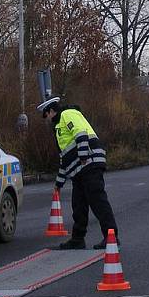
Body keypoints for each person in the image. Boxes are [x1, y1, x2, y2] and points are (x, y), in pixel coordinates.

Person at [38, 97, 119, 250]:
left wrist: (83, 157)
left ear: (51, 111)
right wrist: (58, 184)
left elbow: (80, 133)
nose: (46, 119)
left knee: (98, 201)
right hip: (79, 171)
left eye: (46, 115)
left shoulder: (67, 114)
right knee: (78, 205)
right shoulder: (58, 128)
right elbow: (65, 159)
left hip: (90, 164)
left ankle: (111, 236)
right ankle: (78, 239)